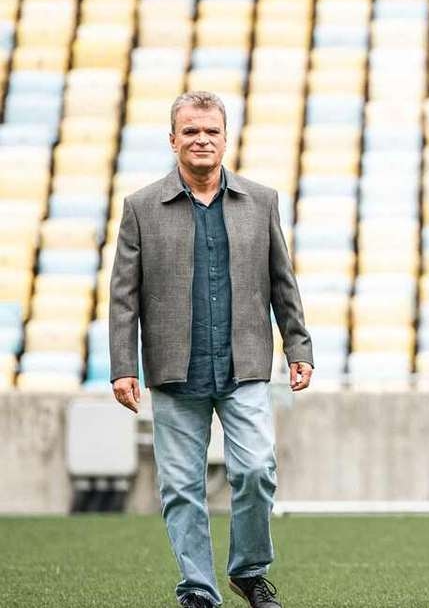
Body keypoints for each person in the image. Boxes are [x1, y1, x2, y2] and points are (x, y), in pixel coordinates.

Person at [109, 91, 313, 608]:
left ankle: (248, 570)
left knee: (255, 470)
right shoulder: (140, 208)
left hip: (244, 364)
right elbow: (123, 295)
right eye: (191, 131)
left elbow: (282, 281)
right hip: (174, 370)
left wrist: (297, 346)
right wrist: (122, 366)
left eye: (211, 132)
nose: (202, 140)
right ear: (173, 139)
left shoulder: (261, 201)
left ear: (226, 138)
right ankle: (198, 589)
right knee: (180, 488)